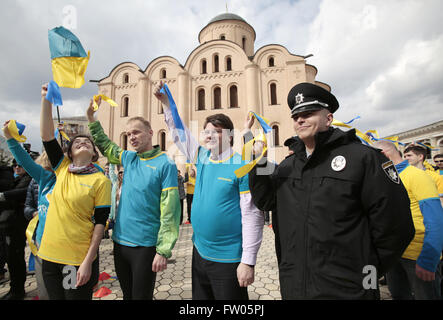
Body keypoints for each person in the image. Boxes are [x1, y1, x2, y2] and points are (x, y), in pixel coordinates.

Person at [248, 82, 415, 299]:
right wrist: (258, 163)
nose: (300, 119)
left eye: (309, 113)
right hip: (296, 285)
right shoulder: (289, 166)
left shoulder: (362, 158)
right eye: (296, 115)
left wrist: (368, 273)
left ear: (328, 118)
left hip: (349, 289)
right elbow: (266, 201)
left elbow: (396, 226)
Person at [155, 83, 264, 300]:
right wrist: (166, 103)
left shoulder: (241, 165)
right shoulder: (202, 157)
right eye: (206, 131)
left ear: (230, 136)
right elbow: (179, 133)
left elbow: (252, 216)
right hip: (200, 252)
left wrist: (248, 261)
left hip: (228, 259)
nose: (209, 136)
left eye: (217, 132)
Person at [87, 97, 180, 300]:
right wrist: (91, 118)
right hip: (120, 244)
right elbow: (104, 144)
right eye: (129, 134)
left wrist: (163, 250)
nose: (132, 137)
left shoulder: (166, 164)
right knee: (128, 296)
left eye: (136, 132)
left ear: (150, 133)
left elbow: (170, 211)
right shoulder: (128, 158)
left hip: (145, 246)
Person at [39, 84, 111, 300]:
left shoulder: (100, 180)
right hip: (49, 256)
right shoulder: (61, 169)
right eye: (77, 142)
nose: (82, 142)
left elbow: (100, 223)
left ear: (94, 153)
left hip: (75, 260)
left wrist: (88, 261)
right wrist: (46, 100)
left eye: (87, 142)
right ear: (69, 153)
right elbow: (46, 136)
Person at [375, 140, 443, 299]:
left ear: (383, 155)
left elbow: (436, 219)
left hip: (418, 256)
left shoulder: (417, 176)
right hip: (394, 254)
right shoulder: (387, 177)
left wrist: (428, 260)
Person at [3, 128, 55, 301]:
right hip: (41, 243)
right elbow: (24, 161)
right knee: (45, 290)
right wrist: (10, 139)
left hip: (65, 246)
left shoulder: (68, 179)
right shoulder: (41, 179)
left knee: (66, 289)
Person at [0, 158, 31, 300]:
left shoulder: (28, 179)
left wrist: (4, 195)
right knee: (10, 258)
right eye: (15, 166)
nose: (17, 168)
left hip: (15, 226)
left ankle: (17, 290)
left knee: (15, 259)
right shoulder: (14, 179)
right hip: (6, 225)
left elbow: (18, 195)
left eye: (20, 165)